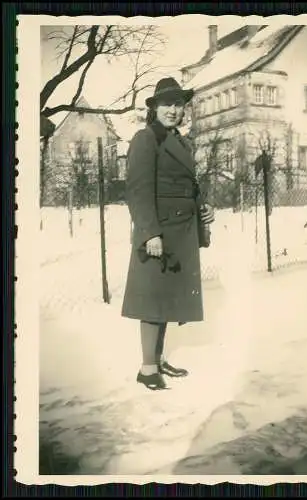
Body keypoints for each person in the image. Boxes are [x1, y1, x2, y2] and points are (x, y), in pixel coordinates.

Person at [121, 77, 215, 391]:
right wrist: (150, 233)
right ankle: (148, 368)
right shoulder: (146, 139)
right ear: (155, 108)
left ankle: (157, 361)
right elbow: (138, 190)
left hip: (179, 231)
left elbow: (188, 185)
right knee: (152, 298)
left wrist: (204, 207)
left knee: (164, 297)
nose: (174, 110)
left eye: (179, 104)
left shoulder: (181, 141)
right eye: (167, 104)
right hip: (159, 231)